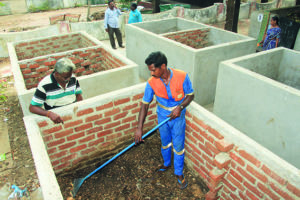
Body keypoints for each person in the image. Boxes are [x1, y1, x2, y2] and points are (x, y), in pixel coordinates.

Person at [134, 51, 194, 189]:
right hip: (162, 117)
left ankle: (178, 172)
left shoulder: (182, 76)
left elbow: (190, 95)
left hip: (178, 117)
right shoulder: (151, 82)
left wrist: (180, 107)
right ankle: (166, 163)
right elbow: (145, 104)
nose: (151, 73)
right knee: (165, 142)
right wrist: (139, 128)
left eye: (153, 70)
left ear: (163, 66)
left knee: (178, 146)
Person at [29, 58, 83, 124]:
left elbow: (77, 95)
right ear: (57, 74)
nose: (69, 79)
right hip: (57, 120)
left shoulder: (73, 79)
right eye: (65, 77)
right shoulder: (45, 85)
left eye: (70, 76)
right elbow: (33, 107)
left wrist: (80, 109)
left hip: (73, 115)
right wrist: (49, 114)